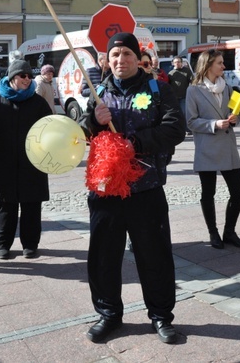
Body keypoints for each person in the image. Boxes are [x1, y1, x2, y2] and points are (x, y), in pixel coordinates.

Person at [78, 32, 185, 344]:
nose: (120, 60)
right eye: (114, 56)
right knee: (103, 256)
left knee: (155, 255)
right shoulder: (99, 92)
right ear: (107, 61)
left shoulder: (158, 89)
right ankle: (109, 313)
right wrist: (94, 121)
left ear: (138, 58)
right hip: (106, 188)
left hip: (145, 186)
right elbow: (88, 135)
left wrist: (135, 142)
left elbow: (175, 128)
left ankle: (161, 315)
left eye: (126, 54)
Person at [0, 60, 52, 260]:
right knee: (7, 206)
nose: (27, 79)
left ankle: (30, 244)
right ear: (12, 77)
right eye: (23, 75)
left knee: (32, 205)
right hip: (5, 163)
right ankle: (3, 243)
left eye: (30, 76)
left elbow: (49, 128)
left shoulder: (38, 102)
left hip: (33, 162)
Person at [187, 49, 240, 249]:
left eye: (223, 62)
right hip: (207, 148)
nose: (223, 66)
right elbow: (191, 122)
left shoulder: (227, 87)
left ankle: (229, 231)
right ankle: (213, 233)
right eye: (220, 63)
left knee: (237, 192)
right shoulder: (194, 90)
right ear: (208, 65)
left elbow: (231, 114)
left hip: (228, 147)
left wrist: (234, 119)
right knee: (208, 193)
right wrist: (214, 124)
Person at [168, 56, 193, 121]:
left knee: (183, 112)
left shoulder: (187, 71)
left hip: (184, 97)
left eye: (178, 62)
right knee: (176, 113)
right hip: (174, 98)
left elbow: (192, 81)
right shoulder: (170, 73)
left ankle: (185, 127)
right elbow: (168, 85)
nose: (177, 63)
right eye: (175, 62)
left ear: (181, 63)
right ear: (173, 63)